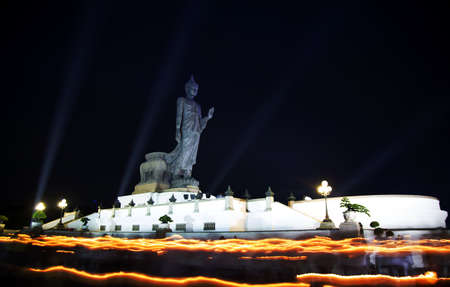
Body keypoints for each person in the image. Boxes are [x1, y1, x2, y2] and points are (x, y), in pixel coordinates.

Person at [166, 75, 214, 178]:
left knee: (192, 153)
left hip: (196, 131)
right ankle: (177, 172)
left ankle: (188, 172)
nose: (194, 90)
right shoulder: (181, 100)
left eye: (196, 89)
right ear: (187, 89)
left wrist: (208, 117)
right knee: (184, 150)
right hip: (186, 129)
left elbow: (200, 122)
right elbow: (179, 116)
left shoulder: (198, 106)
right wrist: (178, 130)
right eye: (192, 88)